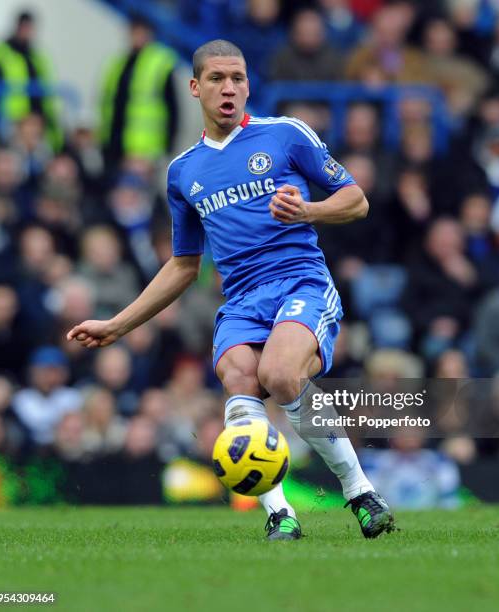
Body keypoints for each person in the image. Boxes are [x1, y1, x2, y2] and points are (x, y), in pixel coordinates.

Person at [67, 39, 395, 541]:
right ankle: (279, 513)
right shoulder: (182, 172)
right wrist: (117, 324)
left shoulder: (285, 135)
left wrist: (310, 210)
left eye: (238, 78)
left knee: (280, 375)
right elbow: (182, 265)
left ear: (248, 86)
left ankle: (360, 491)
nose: (229, 88)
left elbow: (356, 200)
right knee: (240, 378)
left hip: (300, 281)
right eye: (217, 78)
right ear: (196, 88)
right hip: (241, 300)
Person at [98, 15, 178, 169]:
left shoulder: (160, 63)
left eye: (140, 32)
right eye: (133, 31)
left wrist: (168, 146)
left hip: (144, 149)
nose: (136, 36)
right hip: (114, 142)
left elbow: (173, 108)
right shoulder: (118, 62)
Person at [0, 11, 61, 150]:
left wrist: (48, 116)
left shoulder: (38, 56)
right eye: (24, 26)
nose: (26, 31)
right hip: (10, 117)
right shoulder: (1, 52)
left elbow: (46, 87)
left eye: (29, 27)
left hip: (36, 116)